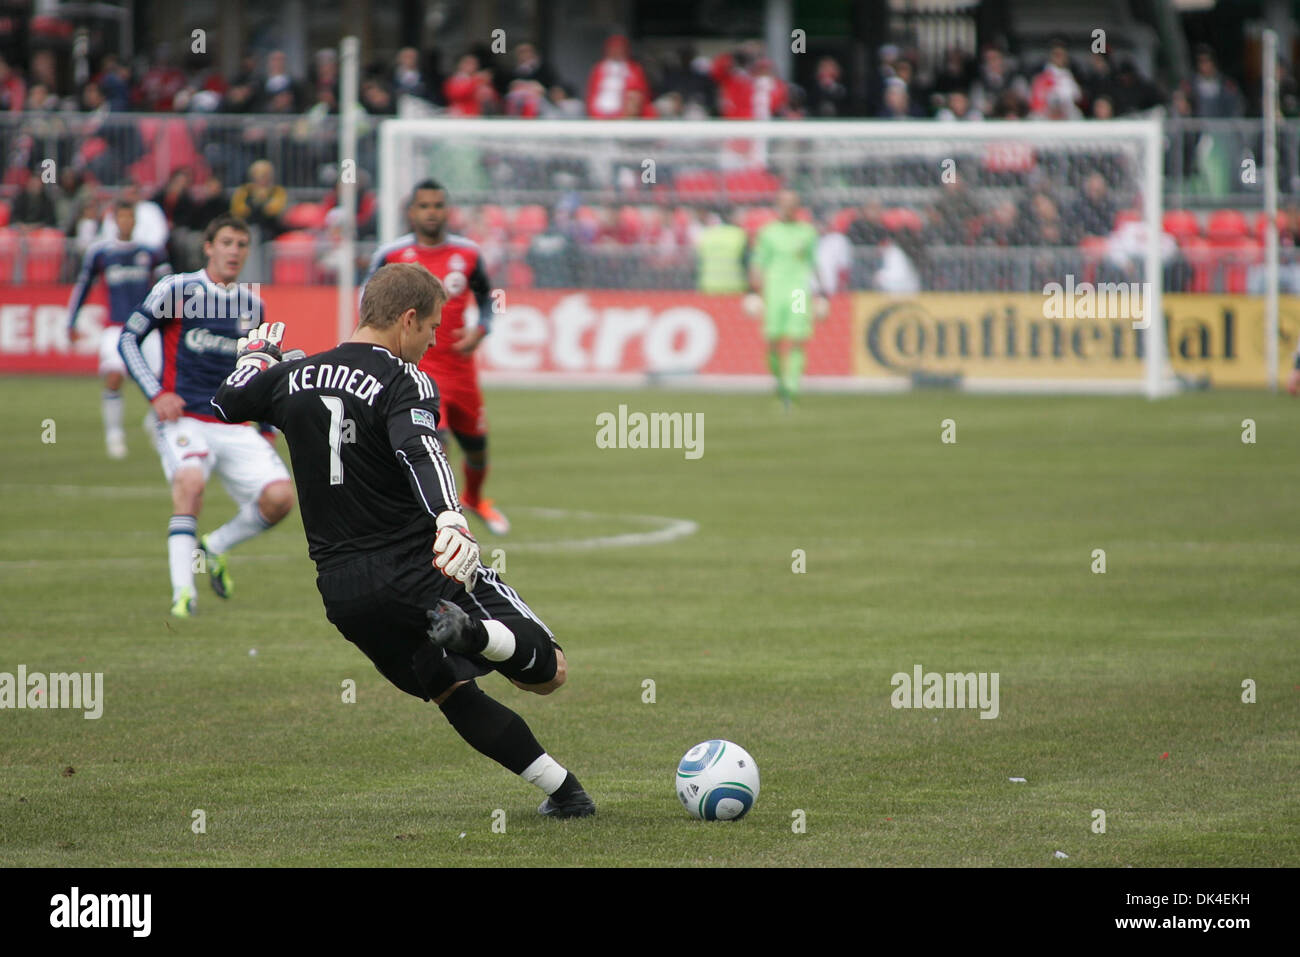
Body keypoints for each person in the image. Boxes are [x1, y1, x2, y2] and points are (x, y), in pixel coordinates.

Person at [211, 263, 595, 818]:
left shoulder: (292, 377)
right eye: (433, 326)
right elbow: (423, 450)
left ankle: (568, 796)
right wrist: (451, 518)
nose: (437, 338)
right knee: (550, 671)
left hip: (343, 592)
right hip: (420, 570)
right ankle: (474, 633)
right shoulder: (403, 378)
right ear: (408, 320)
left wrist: (255, 360)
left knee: (450, 691)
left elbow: (228, 402)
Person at [118, 214, 296, 617]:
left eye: (241, 244)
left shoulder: (252, 304)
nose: (234, 251)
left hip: (232, 423)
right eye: (227, 243)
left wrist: (267, 425)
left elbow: (262, 366)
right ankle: (184, 595)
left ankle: (214, 546)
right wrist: (156, 394)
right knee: (191, 482)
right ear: (209, 246)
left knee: (281, 498)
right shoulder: (177, 289)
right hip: (184, 418)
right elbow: (129, 338)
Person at [362, 180, 508, 534]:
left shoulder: (469, 254)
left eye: (438, 205)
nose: (432, 212)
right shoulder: (392, 255)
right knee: (435, 446)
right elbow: (366, 301)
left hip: (462, 370)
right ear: (411, 212)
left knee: (477, 450)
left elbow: (491, 297)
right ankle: (447, 521)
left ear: (447, 210)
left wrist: (482, 330)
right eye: (424, 206)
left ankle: (474, 498)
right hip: (420, 370)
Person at [67, 200, 170, 459]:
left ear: (135, 221)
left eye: (129, 217)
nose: (126, 222)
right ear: (114, 220)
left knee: (164, 383)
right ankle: (115, 436)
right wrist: (72, 320)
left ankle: (156, 425)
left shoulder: (151, 252)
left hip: (148, 328)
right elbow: (83, 286)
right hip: (117, 327)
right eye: (121, 217)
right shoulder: (101, 253)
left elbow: (169, 288)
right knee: (114, 377)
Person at [750, 190, 821, 409]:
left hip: (798, 291)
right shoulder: (768, 233)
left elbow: (813, 264)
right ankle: (780, 383)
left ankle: (792, 388)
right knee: (773, 339)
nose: (788, 208)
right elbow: (758, 264)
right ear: (778, 206)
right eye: (784, 203)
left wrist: (822, 294)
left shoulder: (807, 232)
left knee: (797, 337)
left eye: (793, 203)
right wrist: (754, 292)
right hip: (774, 290)